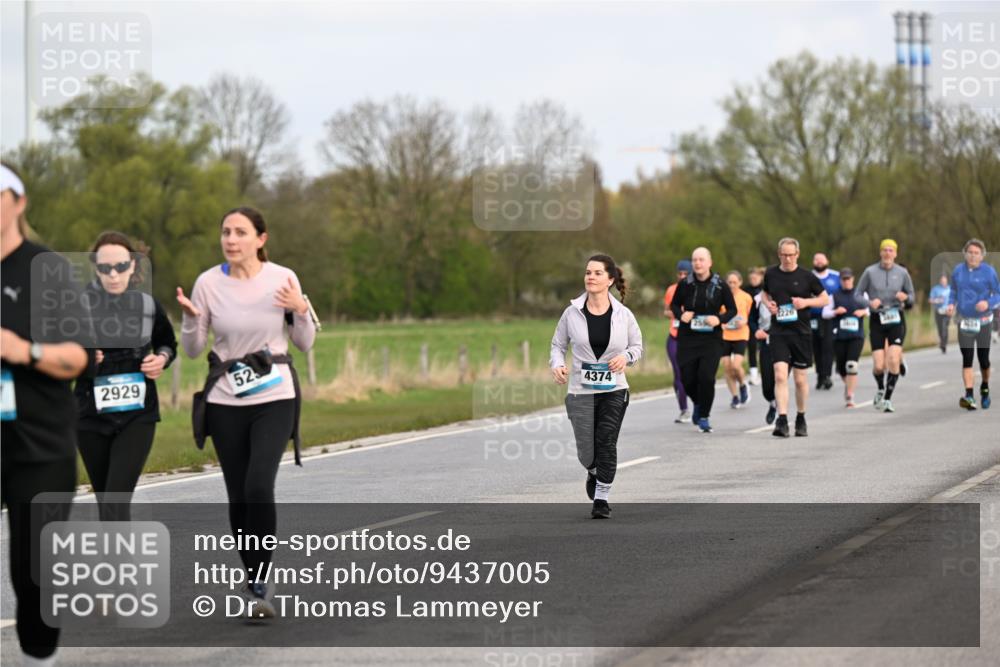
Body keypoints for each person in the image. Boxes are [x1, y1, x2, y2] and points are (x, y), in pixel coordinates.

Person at [177, 206, 316, 617]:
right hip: (224, 399)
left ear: (261, 238)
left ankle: (262, 574)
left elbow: (304, 343)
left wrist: (301, 308)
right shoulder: (207, 283)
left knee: (259, 486)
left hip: (274, 396)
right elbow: (193, 349)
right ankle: (254, 578)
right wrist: (189, 320)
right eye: (225, 232)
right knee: (237, 496)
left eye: (240, 232)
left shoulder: (283, 278)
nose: (231, 239)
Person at [2, 162, 96, 666]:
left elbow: (79, 357)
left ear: (19, 202)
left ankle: (41, 656)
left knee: (33, 566)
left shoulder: (48, 270)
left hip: (38, 442)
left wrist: (24, 350)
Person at [74, 232, 177, 521]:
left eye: (120, 266)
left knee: (115, 501)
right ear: (96, 268)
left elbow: (168, 344)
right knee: (107, 504)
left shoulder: (148, 305)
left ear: (132, 266)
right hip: (89, 415)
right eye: (105, 268)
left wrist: (162, 359)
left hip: (137, 415)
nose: (113, 274)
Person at [551, 254, 643, 519]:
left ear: (610, 280)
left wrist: (625, 358)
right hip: (580, 391)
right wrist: (557, 365)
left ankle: (601, 497)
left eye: (597, 273)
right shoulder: (571, 313)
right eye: (588, 272)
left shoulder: (624, 315)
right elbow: (558, 345)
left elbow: (637, 347)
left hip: (614, 389)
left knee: (606, 441)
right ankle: (592, 470)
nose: (590, 277)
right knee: (586, 451)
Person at [761, 237, 829, 437]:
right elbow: (764, 294)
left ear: (797, 255)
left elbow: (824, 299)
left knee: (800, 380)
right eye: (784, 255)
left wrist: (806, 302)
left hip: (801, 333)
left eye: (791, 255)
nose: (788, 259)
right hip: (779, 332)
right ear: (779, 254)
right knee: (780, 375)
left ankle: (801, 416)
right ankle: (782, 420)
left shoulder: (807, 276)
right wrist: (768, 304)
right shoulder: (771, 274)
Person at [670, 247, 737, 433]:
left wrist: (720, 319)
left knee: (706, 378)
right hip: (688, 338)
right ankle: (698, 403)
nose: (697, 263)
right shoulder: (685, 284)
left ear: (709, 262)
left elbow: (733, 310)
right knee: (687, 378)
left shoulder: (720, 285)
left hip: (711, 339)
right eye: (695, 260)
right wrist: (681, 315)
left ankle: (704, 416)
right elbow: (674, 305)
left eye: (701, 260)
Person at [854, 239, 915, 413]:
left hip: (896, 317)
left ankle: (888, 398)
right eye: (885, 250)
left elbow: (912, 296)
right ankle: (881, 388)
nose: (888, 253)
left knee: (894, 359)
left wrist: (906, 298)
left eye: (891, 250)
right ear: (880, 253)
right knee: (879, 365)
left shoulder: (902, 273)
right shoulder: (870, 272)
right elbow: (857, 295)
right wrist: (869, 302)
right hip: (877, 319)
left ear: (895, 254)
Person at [948, 239, 999, 410]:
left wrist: (988, 303)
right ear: (965, 254)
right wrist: (950, 304)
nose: (972, 256)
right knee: (967, 358)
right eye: (970, 252)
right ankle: (969, 395)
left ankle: (984, 387)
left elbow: (998, 294)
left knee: (983, 360)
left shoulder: (989, 272)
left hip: (984, 321)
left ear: (982, 256)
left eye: (976, 253)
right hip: (965, 321)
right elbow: (953, 291)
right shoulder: (958, 271)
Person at [823, 268, 869, 408]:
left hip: (856, 335)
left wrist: (863, 312)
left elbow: (870, 309)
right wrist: (835, 312)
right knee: (842, 369)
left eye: (849, 279)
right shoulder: (834, 296)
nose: (846, 281)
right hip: (839, 336)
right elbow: (825, 313)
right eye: (844, 279)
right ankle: (849, 384)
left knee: (852, 365)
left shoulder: (861, 294)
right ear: (840, 281)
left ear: (853, 279)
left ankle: (850, 395)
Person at [663, 260, 692, 423]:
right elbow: (666, 311)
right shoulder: (671, 290)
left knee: (690, 374)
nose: (682, 276)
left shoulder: (696, 289)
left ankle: (697, 404)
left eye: (685, 274)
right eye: (679, 273)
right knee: (678, 374)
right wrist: (676, 313)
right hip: (674, 336)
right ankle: (684, 409)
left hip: (691, 338)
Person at [721, 270, 753, 409]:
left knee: (736, 366)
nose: (732, 285)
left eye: (735, 282)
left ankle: (742, 384)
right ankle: (735, 397)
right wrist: (721, 323)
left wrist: (745, 320)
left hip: (741, 334)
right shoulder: (722, 297)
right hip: (725, 335)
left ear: (740, 282)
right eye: (730, 282)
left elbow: (751, 316)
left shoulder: (746, 297)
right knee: (727, 368)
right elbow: (718, 314)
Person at [810, 253, 840, 390]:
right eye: (817, 260)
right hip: (812, 317)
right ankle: (820, 376)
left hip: (830, 317)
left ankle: (827, 375)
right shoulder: (808, 276)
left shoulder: (836, 276)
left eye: (821, 260)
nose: (819, 262)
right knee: (816, 347)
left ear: (827, 261)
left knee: (828, 347)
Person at [753, 292, 778, 424]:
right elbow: (751, 318)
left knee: (780, 377)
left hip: (784, 339)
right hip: (765, 340)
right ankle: (773, 403)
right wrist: (756, 331)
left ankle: (783, 414)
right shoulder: (757, 299)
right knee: (767, 382)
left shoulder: (786, 294)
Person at [745, 267, 766, 386]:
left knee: (764, 349)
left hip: (764, 322)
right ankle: (754, 374)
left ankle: (767, 371)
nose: (753, 280)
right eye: (751, 278)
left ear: (761, 277)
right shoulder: (745, 290)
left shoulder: (765, 288)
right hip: (750, 323)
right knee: (752, 347)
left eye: (755, 277)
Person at [929, 274, 952, 353]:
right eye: (942, 281)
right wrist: (937, 300)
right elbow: (930, 300)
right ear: (940, 281)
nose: (943, 282)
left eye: (944, 281)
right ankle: (942, 341)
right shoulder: (935, 289)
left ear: (947, 281)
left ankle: (944, 344)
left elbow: (954, 300)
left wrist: (952, 308)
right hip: (938, 311)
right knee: (940, 328)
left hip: (947, 311)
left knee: (944, 327)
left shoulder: (950, 289)